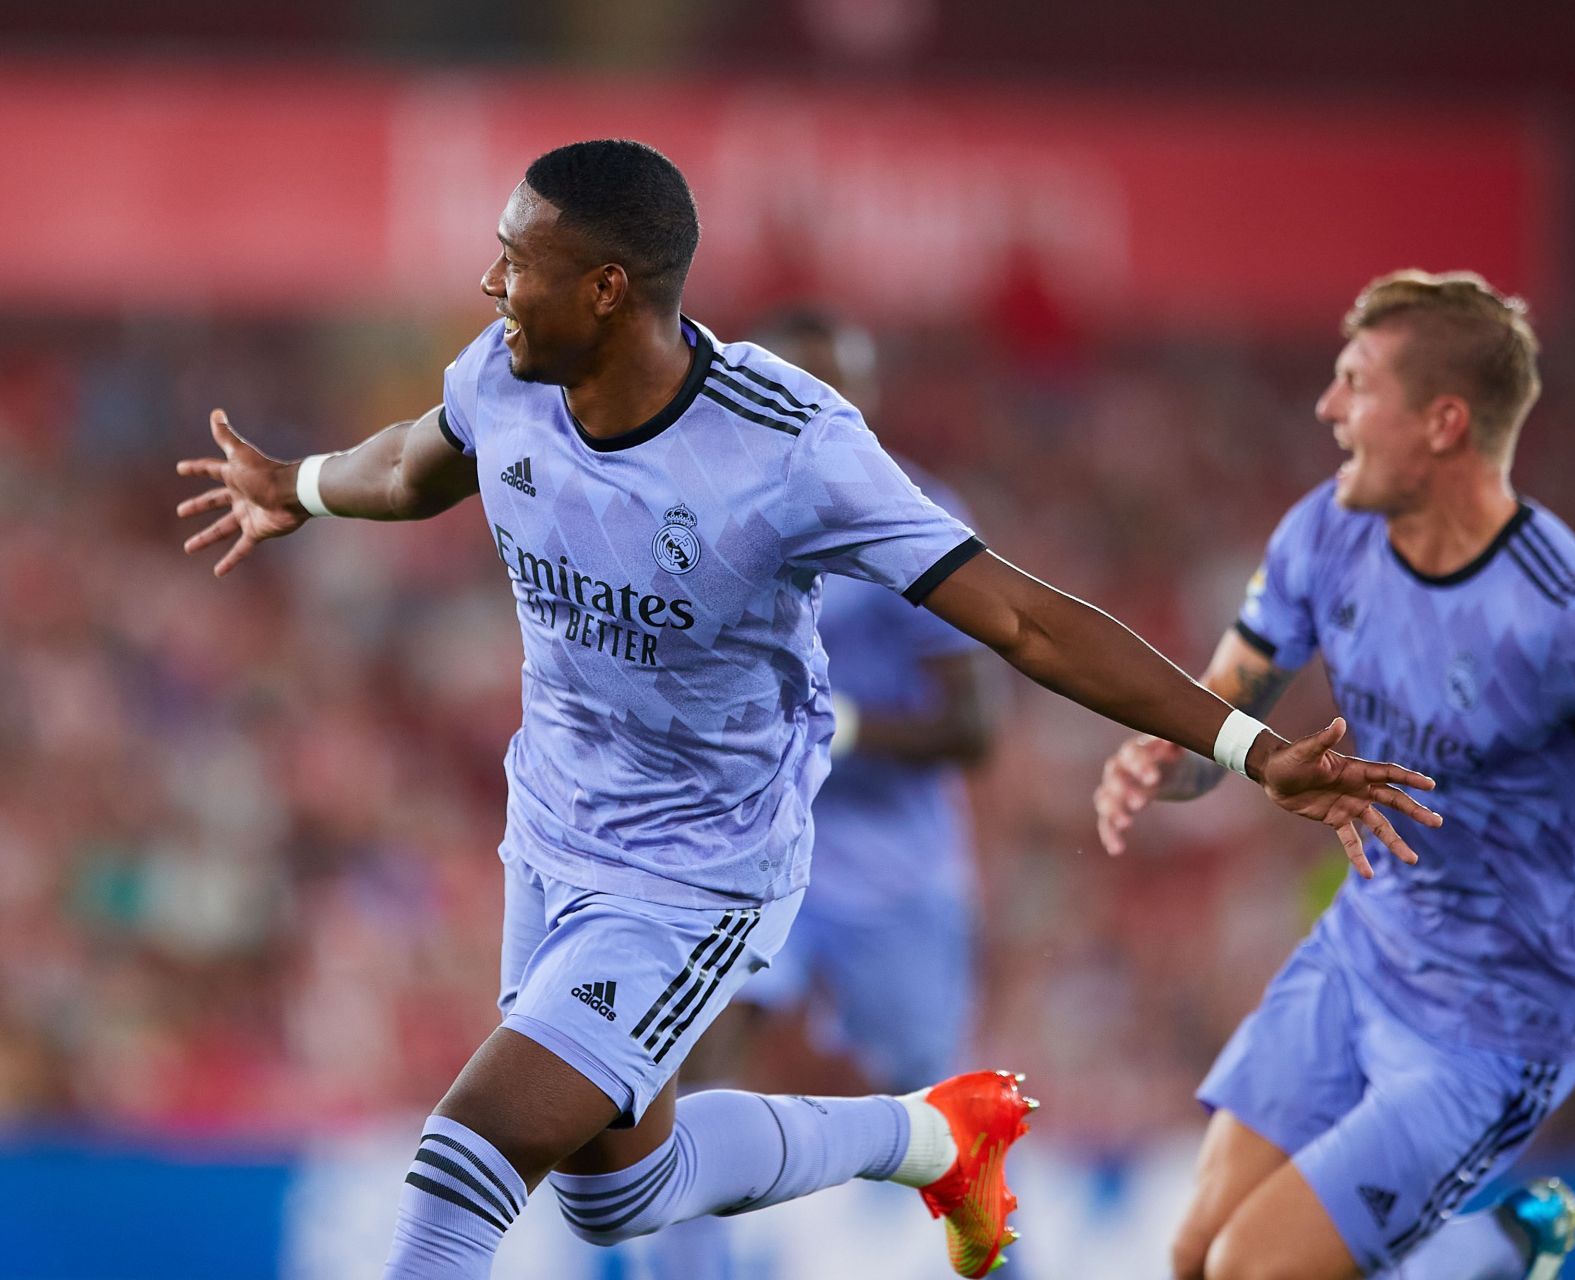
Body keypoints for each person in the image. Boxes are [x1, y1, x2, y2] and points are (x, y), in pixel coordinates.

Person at [174, 140, 1441, 1280]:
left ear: (608, 287)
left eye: (519, 261)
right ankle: (937, 1133)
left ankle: (930, 1125)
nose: (492, 283)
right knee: (619, 1195)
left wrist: (1247, 744)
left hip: (697, 870)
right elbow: (413, 461)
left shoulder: (788, 450)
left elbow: (1021, 616)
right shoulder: (507, 377)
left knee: (468, 1157)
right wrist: (300, 485)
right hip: (551, 828)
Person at [1093, 270, 1575, 1280]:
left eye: (1354, 384)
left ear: (1443, 422)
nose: (1326, 408)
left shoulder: (1570, 616)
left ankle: (1489, 1248)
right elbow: (1226, 706)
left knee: (1253, 1269)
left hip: (1495, 1028)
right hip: (1360, 955)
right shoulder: (1325, 532)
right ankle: (1484, 1247)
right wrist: (1166, 759)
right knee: (1194, 1252)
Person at [649, 309, 1003, 1280]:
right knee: (693, 1060)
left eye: (835, 398)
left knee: (938, 1109)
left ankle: (995, 1263)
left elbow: (974, 728)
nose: (813, 418)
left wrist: (832, 723)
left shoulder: (914, 520)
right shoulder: (693, 522)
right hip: (755, 860)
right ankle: (687, 1268)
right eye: (790, 396)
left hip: (894, 875)